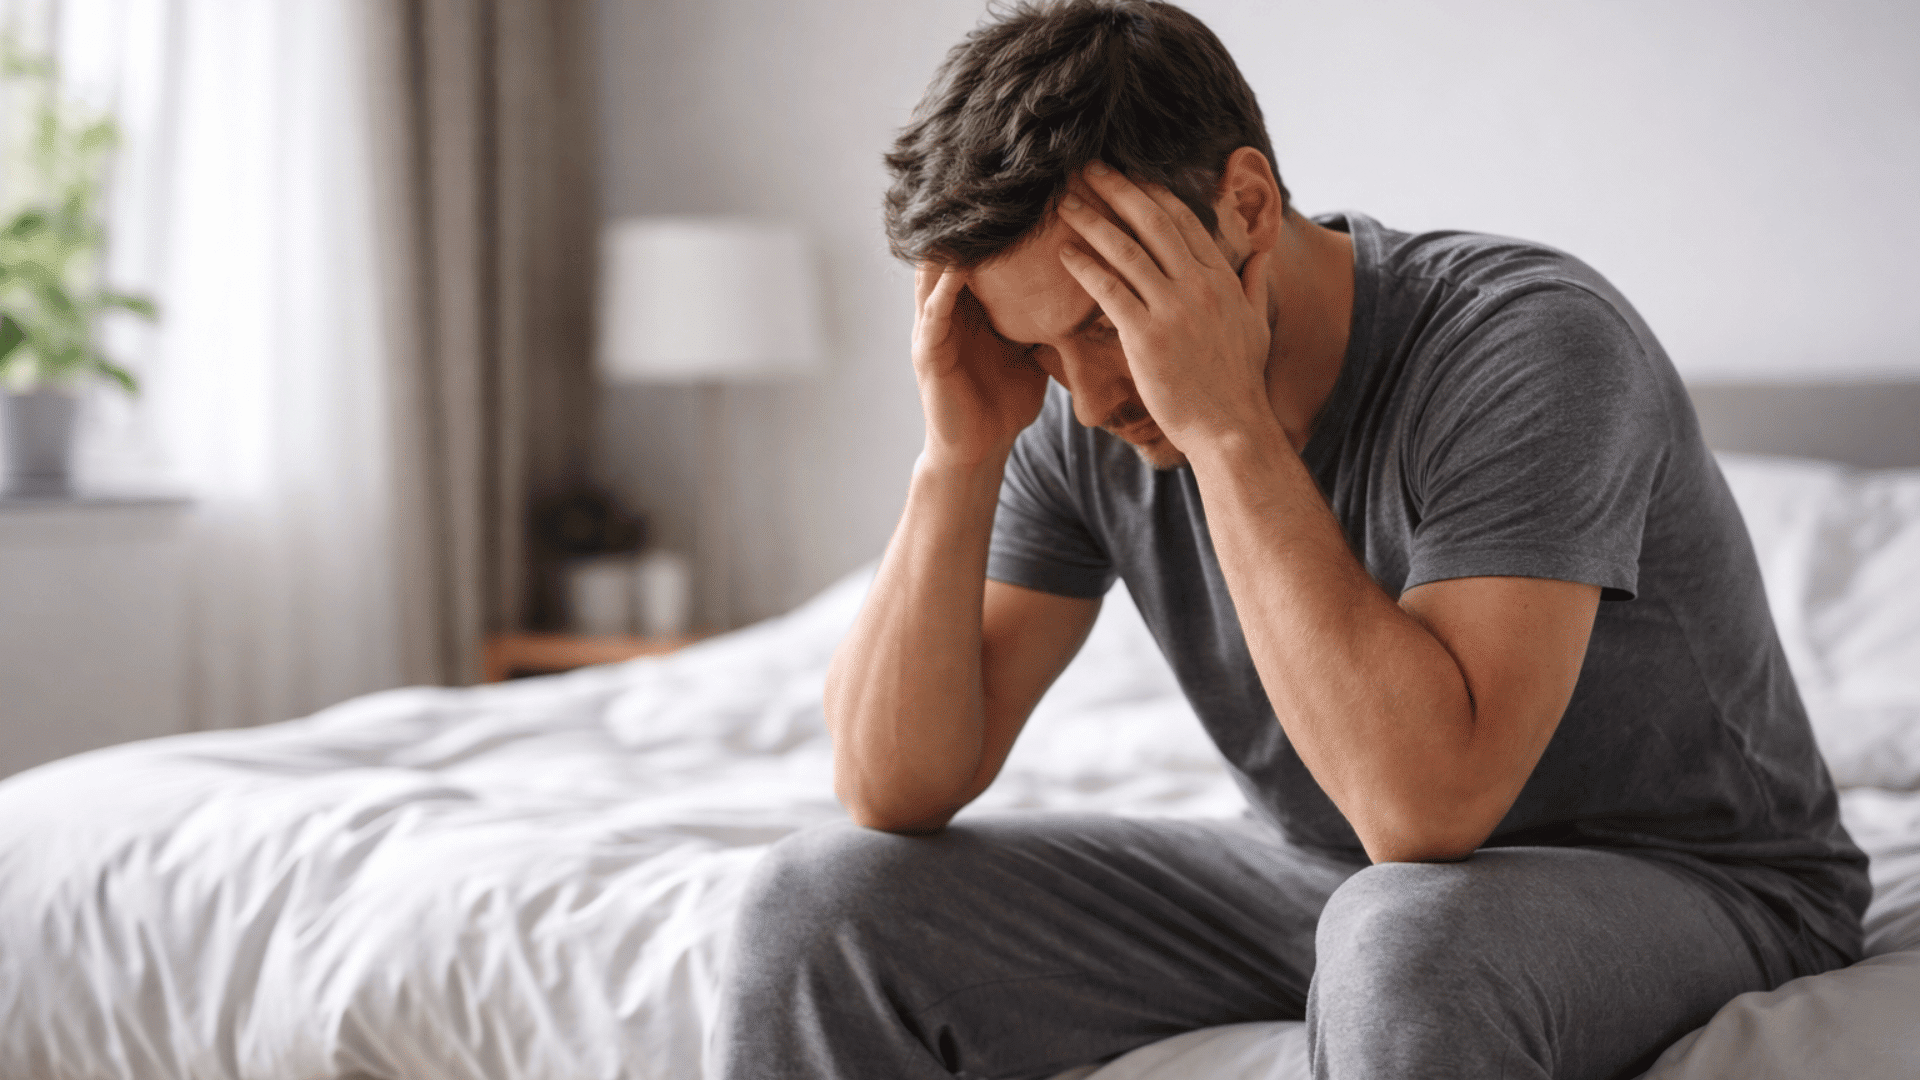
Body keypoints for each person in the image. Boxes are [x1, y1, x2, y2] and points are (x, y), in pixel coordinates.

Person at [713, 2, 1869, 1077]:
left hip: (1694, 881)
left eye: (1104, 321)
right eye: (1036, 351)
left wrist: (1226, 427)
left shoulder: (1531, 346)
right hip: (1331, 875)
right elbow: (893, 784)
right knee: (816, 904)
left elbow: (1424, 809)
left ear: (1248, 208)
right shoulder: (1077, 408)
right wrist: (956, 459)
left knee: (1405, 936)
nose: (1088, 392)